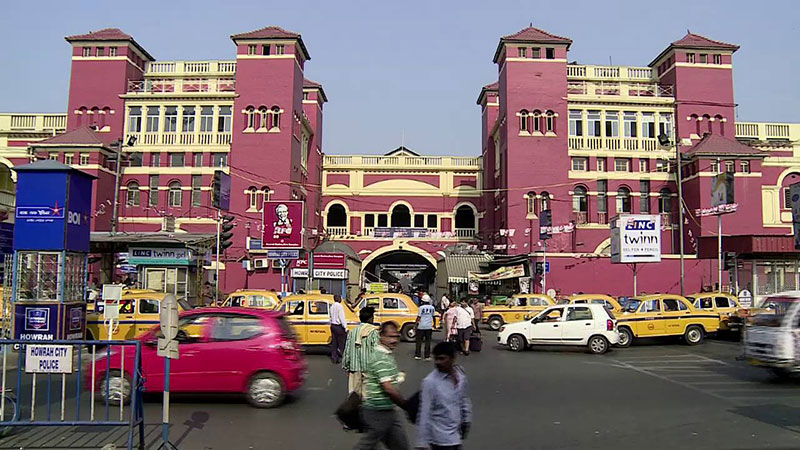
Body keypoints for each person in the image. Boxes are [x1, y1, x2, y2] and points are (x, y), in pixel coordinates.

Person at [355, 322, 409, 450]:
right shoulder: (380, 357)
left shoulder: (387, 355)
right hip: (377, 412)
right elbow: (388, 388)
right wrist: (406, 405)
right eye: (390, 337)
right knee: (367, 446)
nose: (394, 340)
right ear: (381, 337)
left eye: (396, 337)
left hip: (388, 410)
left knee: (400, 445)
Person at [416, 341, 472, 450]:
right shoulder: (430, 382)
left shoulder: (460, 376)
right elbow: (424, 413)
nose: (438, 362)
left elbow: (464, 399)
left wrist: (467, 420)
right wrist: (421, 444)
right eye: (436, 359)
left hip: (456, 436)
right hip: (439, 439)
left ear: (452, 359)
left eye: (442, 359)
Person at [342, 306, 379, 396]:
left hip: (354, 368)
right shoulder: (373, 332)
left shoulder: (352, 332)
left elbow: (347, 351)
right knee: (367, 397)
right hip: (368, 369)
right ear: (370, 318)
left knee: (354, 397)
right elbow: (376, 352)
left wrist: (346, 366)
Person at [330, 294, 347, 364]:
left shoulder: (332, 306)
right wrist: (346, 327)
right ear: (338, 299)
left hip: (333, 325)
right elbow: (341, 317)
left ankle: (334, 358)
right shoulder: (340, 307)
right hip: (338, 326)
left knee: (334, 343)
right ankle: (344, 358)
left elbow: (330, 316)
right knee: (342, 343)